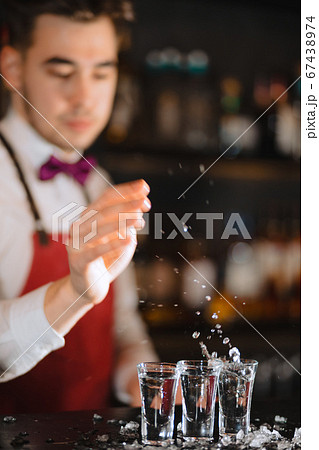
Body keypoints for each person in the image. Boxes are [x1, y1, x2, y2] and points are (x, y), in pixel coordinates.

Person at [0, 0, 158, 414]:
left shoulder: (97, 180)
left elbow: (122, 324)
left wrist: (142, 379)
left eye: (102, 71)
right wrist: (72, 292)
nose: (85, 97)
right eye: (62, 72)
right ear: (14, 69)